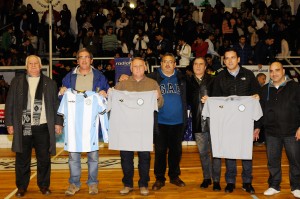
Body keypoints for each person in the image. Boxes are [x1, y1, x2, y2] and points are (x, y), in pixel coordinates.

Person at [5, 55, 63, 197]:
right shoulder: (17, 82)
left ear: (40, 65)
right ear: (26, 66)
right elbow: (9, 103)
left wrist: (58, 122)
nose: (33, 65)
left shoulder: (49, 83)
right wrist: (10, 123)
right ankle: (21, 187)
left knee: (44, 159)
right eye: (30, 63)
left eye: (35, 63)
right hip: (23, 126)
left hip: (42, 127)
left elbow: (56, 105)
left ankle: (44, 186)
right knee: (22, 160)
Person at [59, 48, 109, 196]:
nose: (84, 60)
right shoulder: (69, 77)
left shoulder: (100, 77)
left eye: (87, 57)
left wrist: (104, 94)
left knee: (93, 157)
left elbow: (106, 97)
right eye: (81, 57)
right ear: (77, 60)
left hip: (91, 125)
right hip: (74, 126)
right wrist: (61, 92)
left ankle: (93, 183)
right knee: (73, 157)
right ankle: (74, 183)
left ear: (91, 60)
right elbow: (63, 100)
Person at [211, 48, 261, 194]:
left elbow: (258, 99)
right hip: (227, 123)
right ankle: (230, 182)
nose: (230, 60)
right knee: (230, 153)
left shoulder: (249, 75)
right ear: (224, 61)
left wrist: (257, 126)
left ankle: (247, 182)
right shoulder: (219, 77)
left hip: (246, 123)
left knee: (246, 154)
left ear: (238, 59)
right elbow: (216, 102)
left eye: (233, 57)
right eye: (227, 58)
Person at [112, 57, 164, 196]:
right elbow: (113, 101)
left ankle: (143, 184)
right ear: (130, 69)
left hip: (144, 128)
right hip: (125, 128)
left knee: (144, 158)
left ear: (145, 67)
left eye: (141, 66)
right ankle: (128, 184)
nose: (138, 68)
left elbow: (160, 105)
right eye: (135, 66)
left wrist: (158, 97)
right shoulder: (123, 83)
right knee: (126, 157)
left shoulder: (153, 84)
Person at [259, 62, 300, 198]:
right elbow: (260, 111)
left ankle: (297, 186)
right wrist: (258, 127)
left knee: (295, 160)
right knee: (272, 161)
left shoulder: (295, 87)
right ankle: (274, 185)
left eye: (277, 70)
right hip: (271, 133)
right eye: (271, 71)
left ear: (283, 71)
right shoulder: (265, 90)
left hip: (292, 131)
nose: (274, 73)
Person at [150, 53, 187, 190]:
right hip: (160, 122)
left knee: (176, 151)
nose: (167, 64)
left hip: (178, 122)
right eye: (165, 61)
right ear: (161, 64)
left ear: (175, 64)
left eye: (170, 62)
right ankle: (159, 178)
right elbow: (138, 80)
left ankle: (174, 176)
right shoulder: (153, 78)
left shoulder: (182, 78)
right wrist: (124, 77)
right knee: (160, 151)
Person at [186, 57, 221, 190]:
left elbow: (222, 98)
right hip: (197, 122)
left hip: (215, 122)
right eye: (196, 64)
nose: (198, 66)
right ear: (192, 66)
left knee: (216, 153)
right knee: (203, 153)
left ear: (206, 67)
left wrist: (211, 100)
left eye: (201, 64)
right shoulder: (187, 81)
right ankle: (207, 178)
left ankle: (216, 180)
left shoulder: (214, 80)